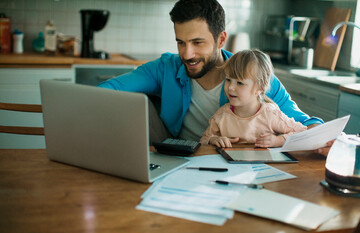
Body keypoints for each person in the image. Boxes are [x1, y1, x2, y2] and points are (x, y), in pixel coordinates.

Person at [97, 0, 323, 145]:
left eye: (197, 42)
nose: (187, 54)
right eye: (181, 42)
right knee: (138, 102)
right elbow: (110, 90)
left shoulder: (250, 75)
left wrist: (322, 137)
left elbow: (303, 121)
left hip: (234, 164)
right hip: (180, 157)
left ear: (221, 39)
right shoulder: (165, 67)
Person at [200, 49, 307, 148]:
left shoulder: (270, 114)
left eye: (240, 83)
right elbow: (203, 141)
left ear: (260, 88)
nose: (231, 87)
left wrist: (278, 140)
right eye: (228, 80)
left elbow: (303, 132)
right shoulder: (221, 115)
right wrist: (213, 139)